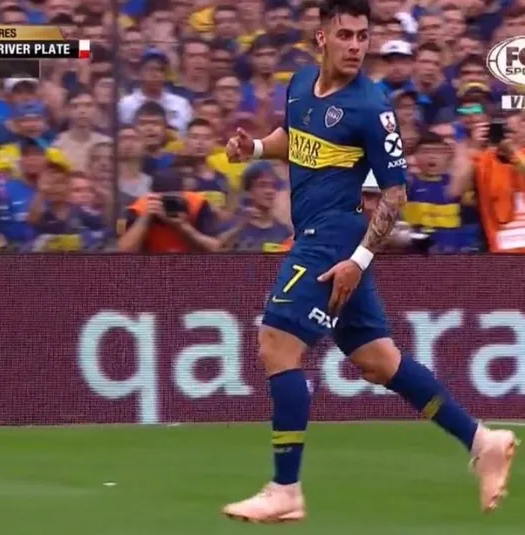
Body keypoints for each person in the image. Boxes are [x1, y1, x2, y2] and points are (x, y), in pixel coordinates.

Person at [222, 0, 517, 523]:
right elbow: (295, 139)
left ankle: (285, 488)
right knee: (379, 361)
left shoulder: (371, 106)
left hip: (335, 238)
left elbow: (395, 195)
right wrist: (256, 149)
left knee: (276, 343)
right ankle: (481, 440)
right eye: (346, 35)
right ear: (322, 38)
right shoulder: (300, 85)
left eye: (363, 36)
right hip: (322, 236)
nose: (357, 46)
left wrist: (358, 260)